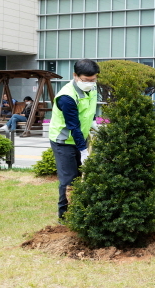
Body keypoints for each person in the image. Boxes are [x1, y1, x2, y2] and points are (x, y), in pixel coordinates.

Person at [49, 59, 100, 222]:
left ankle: (80, 210)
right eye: (86, 80)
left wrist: (93, 123)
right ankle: (64, 216)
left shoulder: (92, 87)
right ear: (75, 76)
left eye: (94, 79)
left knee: (82, 176)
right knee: (69, 179)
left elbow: (90, 108)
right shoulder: (66, 96)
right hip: (63, 141)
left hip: (80, 138)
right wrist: (83, 151)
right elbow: (73, 126)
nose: (91, 83)